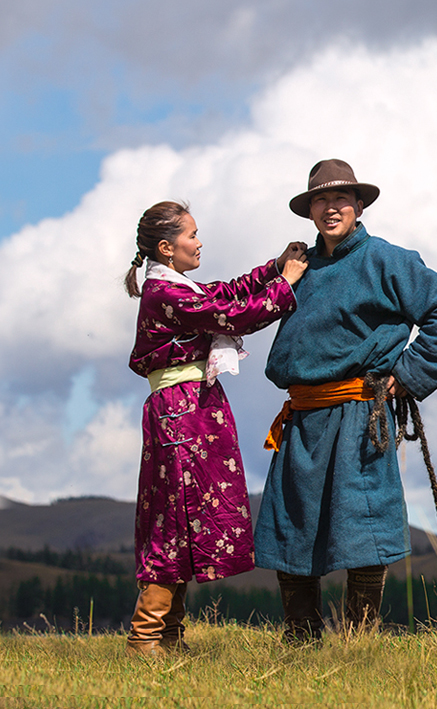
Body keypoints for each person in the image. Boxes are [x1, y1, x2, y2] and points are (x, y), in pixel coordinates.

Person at [256, 159, 437, 642]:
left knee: (363, 520)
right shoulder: (301, 268)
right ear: (309, 210)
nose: (330, 208)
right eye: (320, 200)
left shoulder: (386, 260)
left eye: (340, 199)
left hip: (359, 411)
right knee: (292, 522)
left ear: (358, 205)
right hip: (303, 415)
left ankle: (360, 637)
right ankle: (300, 637)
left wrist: (409, 373)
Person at [123, 201, 308, 656]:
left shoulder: (176, 288)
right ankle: (145, 637)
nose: (199, 242)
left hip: (189, 411)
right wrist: (284, 284)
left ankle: (168, 636)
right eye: (191, 235)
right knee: (173, 519)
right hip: (181, 413)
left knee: (182, 518)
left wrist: (273, 267)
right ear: (167, 249)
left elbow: (224, 293)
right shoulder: (165, 294)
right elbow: (235, 315)